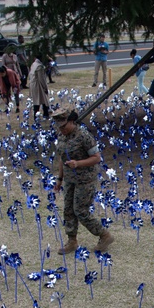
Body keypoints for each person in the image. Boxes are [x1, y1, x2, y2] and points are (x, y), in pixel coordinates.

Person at [53, 107, 114, 254]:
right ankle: (71, 241)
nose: (62, 130)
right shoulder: (62, 137)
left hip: (85, 179)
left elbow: (97, 158)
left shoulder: (84, 136)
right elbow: (62, 158)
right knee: (68, 210)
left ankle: (104, 235)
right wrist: (59, 178)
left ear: (72, 122)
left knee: (80, 211)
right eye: (59, 127)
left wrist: (78, 163)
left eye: (64, 126)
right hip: (69, 179)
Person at [29, 50, 50, 118]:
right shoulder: (39, 66)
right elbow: (41, 79)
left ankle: (41, 114)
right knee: (42, 100)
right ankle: (44, 114)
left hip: (33, 84)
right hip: (38, 85)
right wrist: (45, 87)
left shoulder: (33, 64)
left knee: (37, 100)